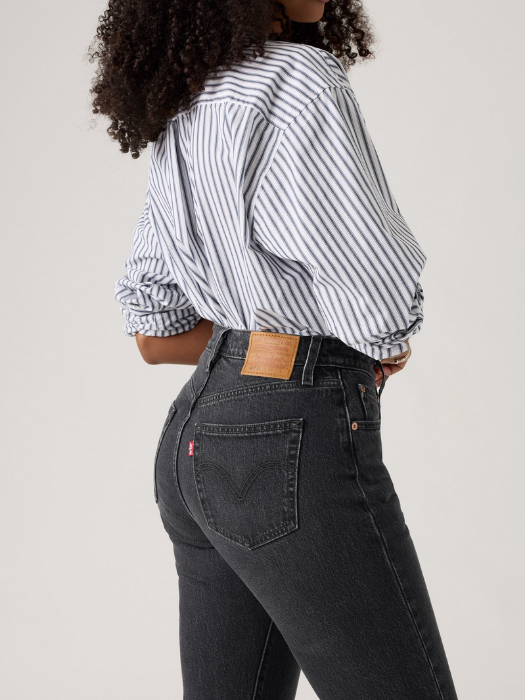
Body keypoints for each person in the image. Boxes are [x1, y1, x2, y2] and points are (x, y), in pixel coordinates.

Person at [90, 1, 459, 698]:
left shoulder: (188, 95)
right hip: (287, 444)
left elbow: (154, 329)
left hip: (195, 441)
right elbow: (377, 298)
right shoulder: (300, 78)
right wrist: (376, 342)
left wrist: (251, 340)